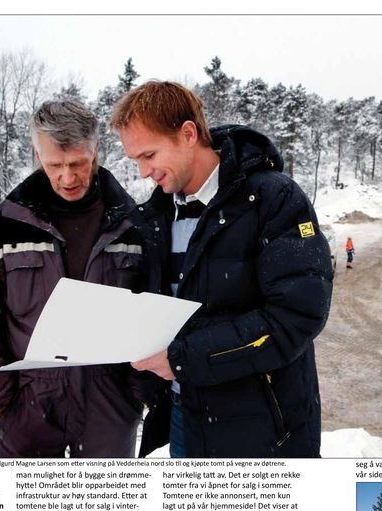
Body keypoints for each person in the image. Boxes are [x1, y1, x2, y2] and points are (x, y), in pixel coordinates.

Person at [110, 81, 333, 458]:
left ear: (187, 134)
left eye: (148, 155)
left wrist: (184, 359)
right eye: (136, 160)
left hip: (264, 431)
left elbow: (296, 316)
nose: (144, 171)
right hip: (187, 420)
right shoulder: (157, 217)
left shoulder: (273, 199)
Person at [0, 100, 158, 458]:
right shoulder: (4, 227)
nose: (67, 177)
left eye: (78, 163)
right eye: (54, 165)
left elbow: (154, 311)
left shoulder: (134, 226)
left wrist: (137, 394)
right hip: (26, 408)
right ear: (37, 152)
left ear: (95, 150)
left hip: (108, 409)